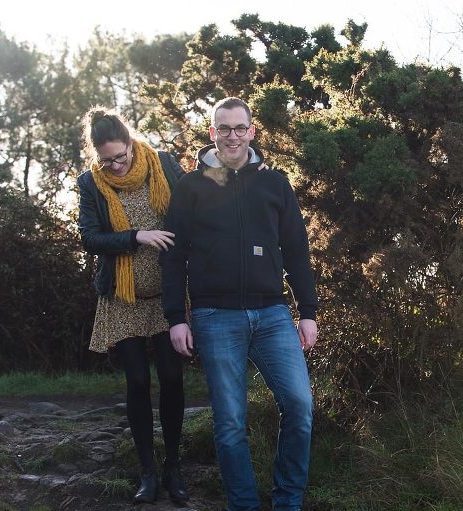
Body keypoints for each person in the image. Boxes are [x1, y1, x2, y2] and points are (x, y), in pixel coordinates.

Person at [161, 97, 318, 511]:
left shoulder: (275, 183)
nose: (232, 136)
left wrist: (308, 312)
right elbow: (173, 257)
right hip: (215, 317)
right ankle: (244, 505)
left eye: (239, 128)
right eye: (224, 128)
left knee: (300, 406)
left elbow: (297, 251)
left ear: (252, 131)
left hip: (272, 314)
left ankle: (287, 503)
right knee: (231, 424)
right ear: (212, 133)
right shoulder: (191, 187)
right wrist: (177, 318)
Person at [76, 107, 188, 505]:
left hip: (168, 297)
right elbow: (90, 238)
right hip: (122, 300)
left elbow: (192, 210)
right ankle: (147, 472)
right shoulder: (91, 184)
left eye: (120, 156)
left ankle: (174, 467)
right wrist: (136, 235)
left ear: (129, 141)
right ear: (96, 156)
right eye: (107, 160)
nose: (116, 166)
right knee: (138, 382)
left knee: (172, 378)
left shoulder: (163, 164)